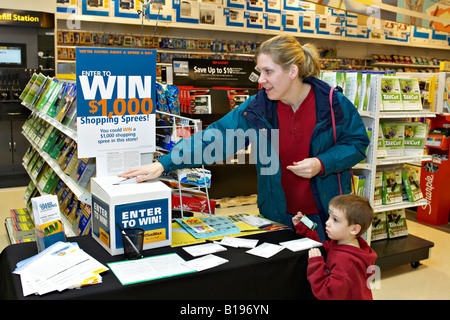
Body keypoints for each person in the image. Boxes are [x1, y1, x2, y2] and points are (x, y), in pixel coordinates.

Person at [119, 34, 370, 240]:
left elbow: (358, 144)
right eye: (259, 71)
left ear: (292, 72)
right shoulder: (258, 108)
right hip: (278, 217)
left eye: (268, 72)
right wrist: (164, 163)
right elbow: (215, 138)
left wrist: (322, 163)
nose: (261, 80)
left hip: (328, 220)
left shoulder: (332, 105)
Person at [292, 194, 377, 300]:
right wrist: (304, 228)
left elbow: (328, 295)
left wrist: (316, 265)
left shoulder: (345, 262)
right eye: (329, 217)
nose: (327, 222)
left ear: (354, 229)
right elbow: (326, 248)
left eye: (335, 220)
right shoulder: (345, 242)